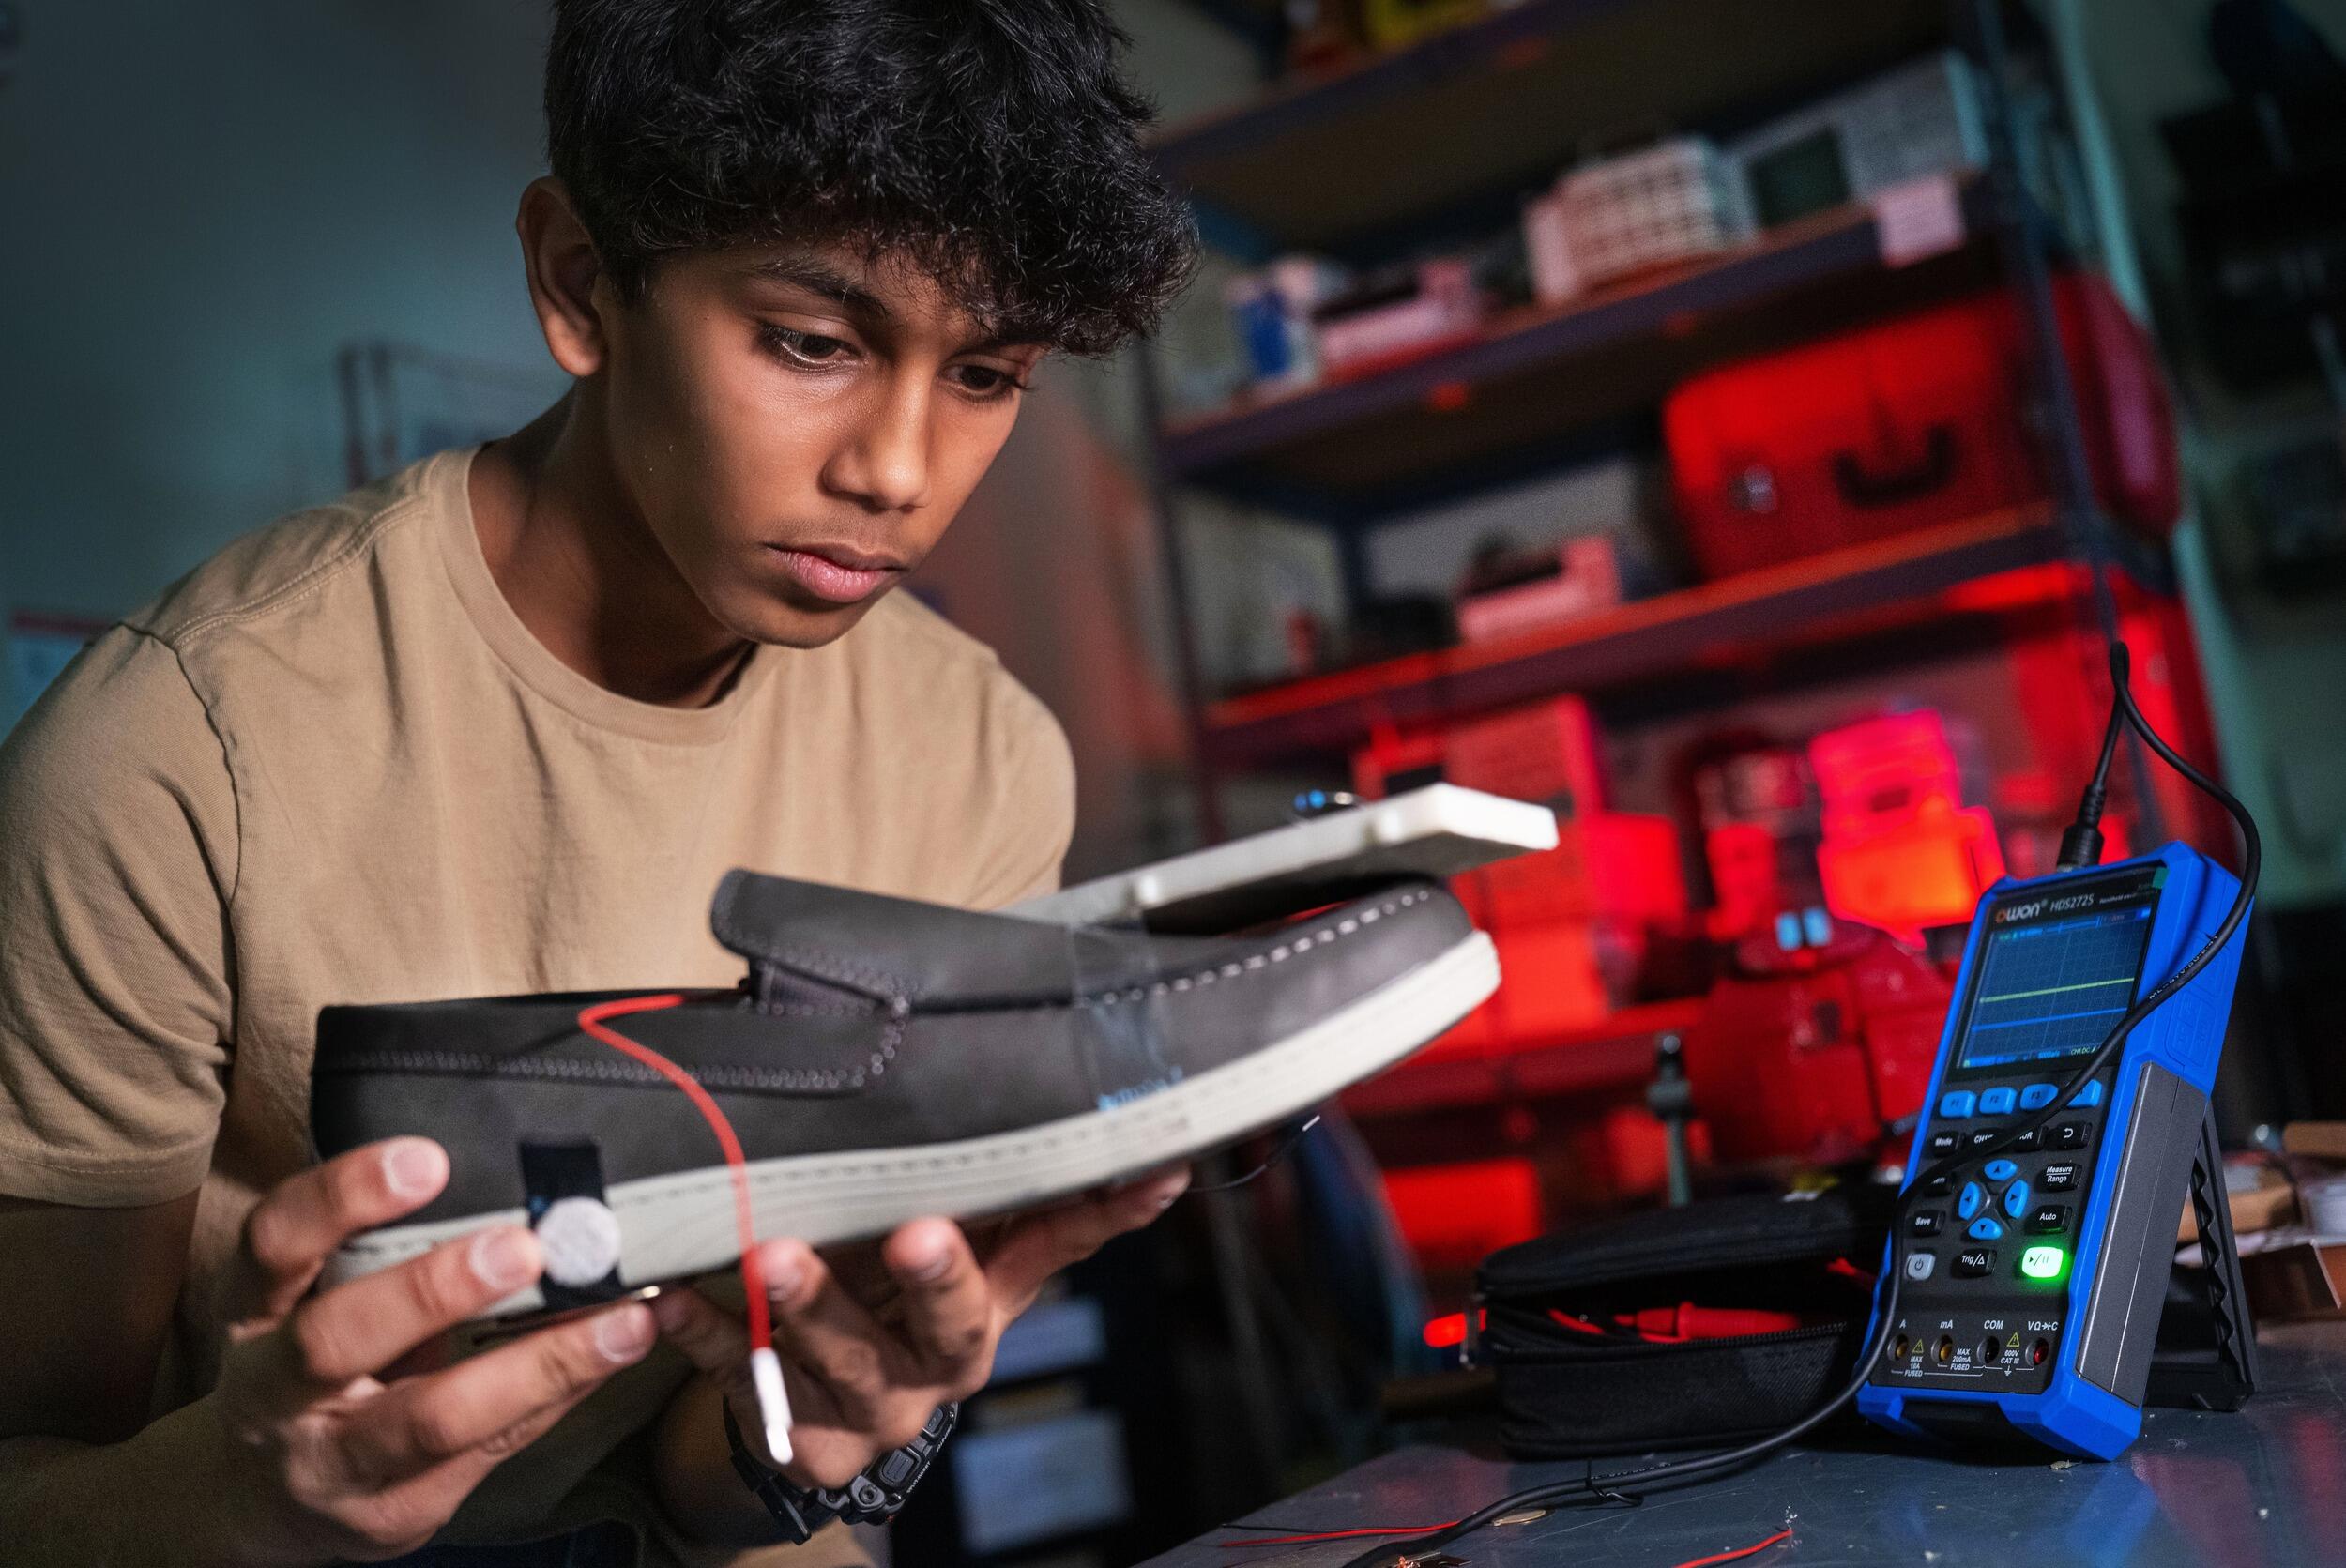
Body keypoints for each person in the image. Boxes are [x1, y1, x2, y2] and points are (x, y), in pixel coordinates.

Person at [0, 3, 1197, 1563]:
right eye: (813, 342)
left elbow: (716, 1478)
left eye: (986, 373)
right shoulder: (170, 758)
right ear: (580, 283)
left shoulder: (978, 761)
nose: (898, 471)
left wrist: (823, 1427)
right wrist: (240, 1498)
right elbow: (25, 1482)